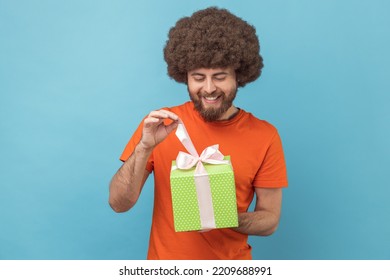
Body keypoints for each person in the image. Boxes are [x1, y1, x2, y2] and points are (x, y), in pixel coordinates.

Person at [109, 7, 288, 260]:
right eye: (198, 77)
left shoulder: (265, 135)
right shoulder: (160, 124)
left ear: (239, 76)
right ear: (185, 77)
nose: (209, 88)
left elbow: (270, 220)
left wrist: (223, 217)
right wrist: (144, 147)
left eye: (220, 76)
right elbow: (119, 204)